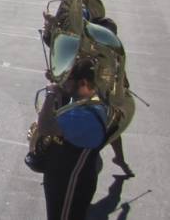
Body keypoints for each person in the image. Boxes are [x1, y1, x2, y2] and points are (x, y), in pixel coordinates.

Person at [37, 59, 108, 220]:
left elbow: (45, 126)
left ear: (83, 82)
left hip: (70, 184)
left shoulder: (83, 116)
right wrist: (59, 85)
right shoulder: (88, 100)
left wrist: (50, 95)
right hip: (66, 179)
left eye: (67, 81)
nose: (64, 84)